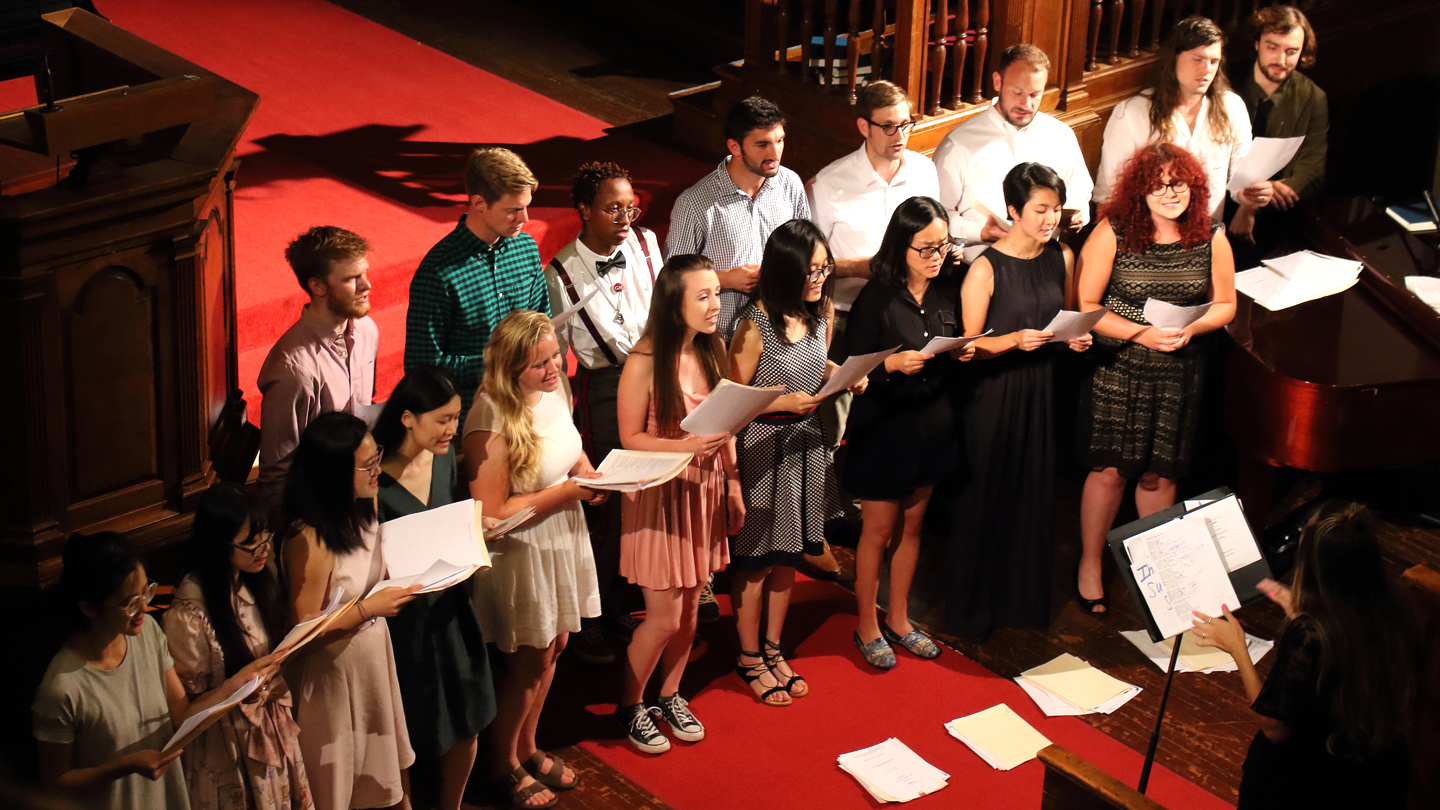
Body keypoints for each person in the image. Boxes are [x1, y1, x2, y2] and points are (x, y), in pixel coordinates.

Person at [1074, 143, 1236, 614]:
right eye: (1159, 185)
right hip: (1120, 366)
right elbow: (1086, 305)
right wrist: (1141, 333)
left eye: (1178, 184)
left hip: (1178, 370)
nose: (1170, 193)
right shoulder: (1114, 231)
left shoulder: (1211, 235)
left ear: (1193, 187)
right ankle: (1089, 563)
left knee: (1158, 473)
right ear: (1141, 190)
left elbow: (1225, 304)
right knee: (1110, 472)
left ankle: (1164, 578)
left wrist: (1190, 328)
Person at [462, 310, 606, 808]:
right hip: (522, 552)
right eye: (538, 365)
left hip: (561, 537)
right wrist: (570, 490)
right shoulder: (489, 417)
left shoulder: (553, 390)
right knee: (529, 661)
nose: (553, 371)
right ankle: (498, 764)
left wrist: (595, 477)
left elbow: (571, 451)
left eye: (554, 357)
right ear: (507, 369)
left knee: (557, 644)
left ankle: (526, 747)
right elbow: (494, 513)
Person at [1190, 502, 1416, 808]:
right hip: (1376, 770)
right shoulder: (1394, 609)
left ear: (1312, 565)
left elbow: (1274, 728)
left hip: (1312, 778)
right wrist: (1304, 611)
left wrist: (1237, 648)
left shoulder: (1310, 634)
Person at [949, 163, 1091, 639]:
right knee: (987, 496)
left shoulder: (1062, 257)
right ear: (1013, 211)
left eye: (1055, 209)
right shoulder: (985, 268)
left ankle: (1020, 604)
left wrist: (1072, 340)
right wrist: (1012, 341)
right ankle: (974, 610)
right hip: (995, 395)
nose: (1050, 219)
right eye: (1039, 209)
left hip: (1042, 390)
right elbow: (967, 347)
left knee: (1033, 494)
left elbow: (1065, 316)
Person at [34, 532, 277, 810]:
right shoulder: (62, 687)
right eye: (129, 603)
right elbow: (54, 784)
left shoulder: (147, 633)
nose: (144, 607)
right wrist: (121, 767)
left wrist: (235, 686)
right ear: (88, 607)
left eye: (145, 592)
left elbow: (181, 714)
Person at [727, 220, 863, 705]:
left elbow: (814, 367)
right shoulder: (753, 323)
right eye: (810, 271)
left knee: (789, 559)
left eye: (825, 269)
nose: (819, 279)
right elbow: (731, 402)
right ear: (784, 270)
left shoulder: (820, 315)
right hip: (762, 451)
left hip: (806, 447)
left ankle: (772, 646)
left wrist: (841, 375)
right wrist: (780, 404)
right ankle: (747, 656)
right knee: (755, 563)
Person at [807, 79, 940, 574]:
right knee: (833, 425)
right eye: (889, 126)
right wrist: (864, 266)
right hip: (847, 319)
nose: (900, 134)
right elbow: (816, 266)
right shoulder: (830, 183)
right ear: (863, 126)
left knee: (889, 417)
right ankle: (818, 521)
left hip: (906, 317)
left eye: (907, 123)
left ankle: (869, 506)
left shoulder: (925, 170)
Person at [613, 255, 743, 751]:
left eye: (717, 293)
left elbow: (725, 421)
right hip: (660, 495)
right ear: (674, 303)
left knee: (690, 613)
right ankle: (631, 704)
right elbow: (629, 437)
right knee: (663, 617)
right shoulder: (644, 360)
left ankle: (669, 694)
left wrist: (731, 483)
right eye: (703, 296)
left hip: (702, 493)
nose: (716, 305)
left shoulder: (712, 350)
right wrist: (685, 448)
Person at [843, 196, 975, 670]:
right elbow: (847, 368)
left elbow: (960, 335)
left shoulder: (948, 288)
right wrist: (890, 364)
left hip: (933, 425)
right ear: (901, 246)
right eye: (926, 248)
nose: (936, 256)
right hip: (885, 429)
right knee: (877, 532)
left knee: (914, 527)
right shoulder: (876, 296)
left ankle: (899, 618)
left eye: (942, 245)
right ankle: (866, 624)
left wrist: (961, 352)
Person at [545, 161, 661, 664]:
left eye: (630, 206)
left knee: (656, 491)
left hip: (659, 373)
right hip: (605, 387)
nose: (625, 217)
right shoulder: (560, 271)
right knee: (611, 502)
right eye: (613, 208)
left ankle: (636, 593)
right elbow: (557, 349)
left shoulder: (647, 244)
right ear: (583, 211)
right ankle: (593, 611)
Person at [280, 412, 421, 810]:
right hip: (331, 677)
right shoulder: (310, 537)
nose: (378, 470)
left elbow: (373, 570)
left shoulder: (363, 505)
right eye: (368, 465)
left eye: (378, 457)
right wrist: (367, 609)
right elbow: (301, 632)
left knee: (384, 773)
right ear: (333, 472)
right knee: (338, 785)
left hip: (371, 660)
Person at [373, 368, 496, 810]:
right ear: (407, 418)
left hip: (451, 610)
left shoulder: (443, 458)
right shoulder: (375, 480)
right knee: (405, 727)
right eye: (442, 419)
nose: (452, 430)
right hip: (405, 626)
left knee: (468, 720)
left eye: (456, 418)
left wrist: (478, 531)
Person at [164, 483, 312, 810]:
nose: (262, 548)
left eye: (265, 536)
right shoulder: (189, 614)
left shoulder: (253, 579)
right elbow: (185, 709)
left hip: (267, 724)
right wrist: (241, 682)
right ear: (219, 544)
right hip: (226, 744)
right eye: (250, 542)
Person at [407, 147, 550, 415]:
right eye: (513, 210)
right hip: (471, 419)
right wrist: (496, 364)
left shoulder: (526, 248)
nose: (525, 219)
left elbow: (543, 319)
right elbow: (423, 366)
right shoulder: (439, 271)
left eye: (526, 207)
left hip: (528, 407)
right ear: (479, 203)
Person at [667, 96, 811, 342]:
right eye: (762, 144)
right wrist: (725, 279)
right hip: (723, 338)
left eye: (780, 141)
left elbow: (807, 249)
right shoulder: (695, 203)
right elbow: (672, 277)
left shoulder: (790, 184)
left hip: (782, 331)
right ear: (735, 147)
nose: (775, 153)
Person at [1093, 17, 1263, 222]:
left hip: (1206, 233)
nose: (1207, 69)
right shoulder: (1132, 113)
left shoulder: (1232, 107)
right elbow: (1109, 194)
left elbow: (1240, 180)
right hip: (1147, 237)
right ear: (1174, 59)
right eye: (1197, 59)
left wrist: (1250, 196)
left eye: (1213, 61)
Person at [258, 226, 378, 506]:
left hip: (363, 493)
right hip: (318, 509)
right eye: (351, 278)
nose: (367, 285)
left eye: (365, 273)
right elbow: (277, 476)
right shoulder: (293, 371)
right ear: (317, 286)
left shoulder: (368, 331)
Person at [935, 44, 1094, 244]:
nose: (1026, 105)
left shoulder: (1061, 136)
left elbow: (1079, 190)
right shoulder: (958, 145)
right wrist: (980, 232)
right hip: (983, 264)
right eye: (1017, 93)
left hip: (1046, 259)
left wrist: (1077, 212)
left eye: (1035, 95)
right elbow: (939, 213)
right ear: (997, 82)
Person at [1226, 5, 1328, 255]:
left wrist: (1270, 190)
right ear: (1257, 43)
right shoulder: (1227, 82)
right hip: (1220, 204)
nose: (1281, 60)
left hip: (1275, 215)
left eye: (1291, 52)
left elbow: (1313, 168)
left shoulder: (1312, 97)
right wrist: (1247, 200)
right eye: (1272, 47)